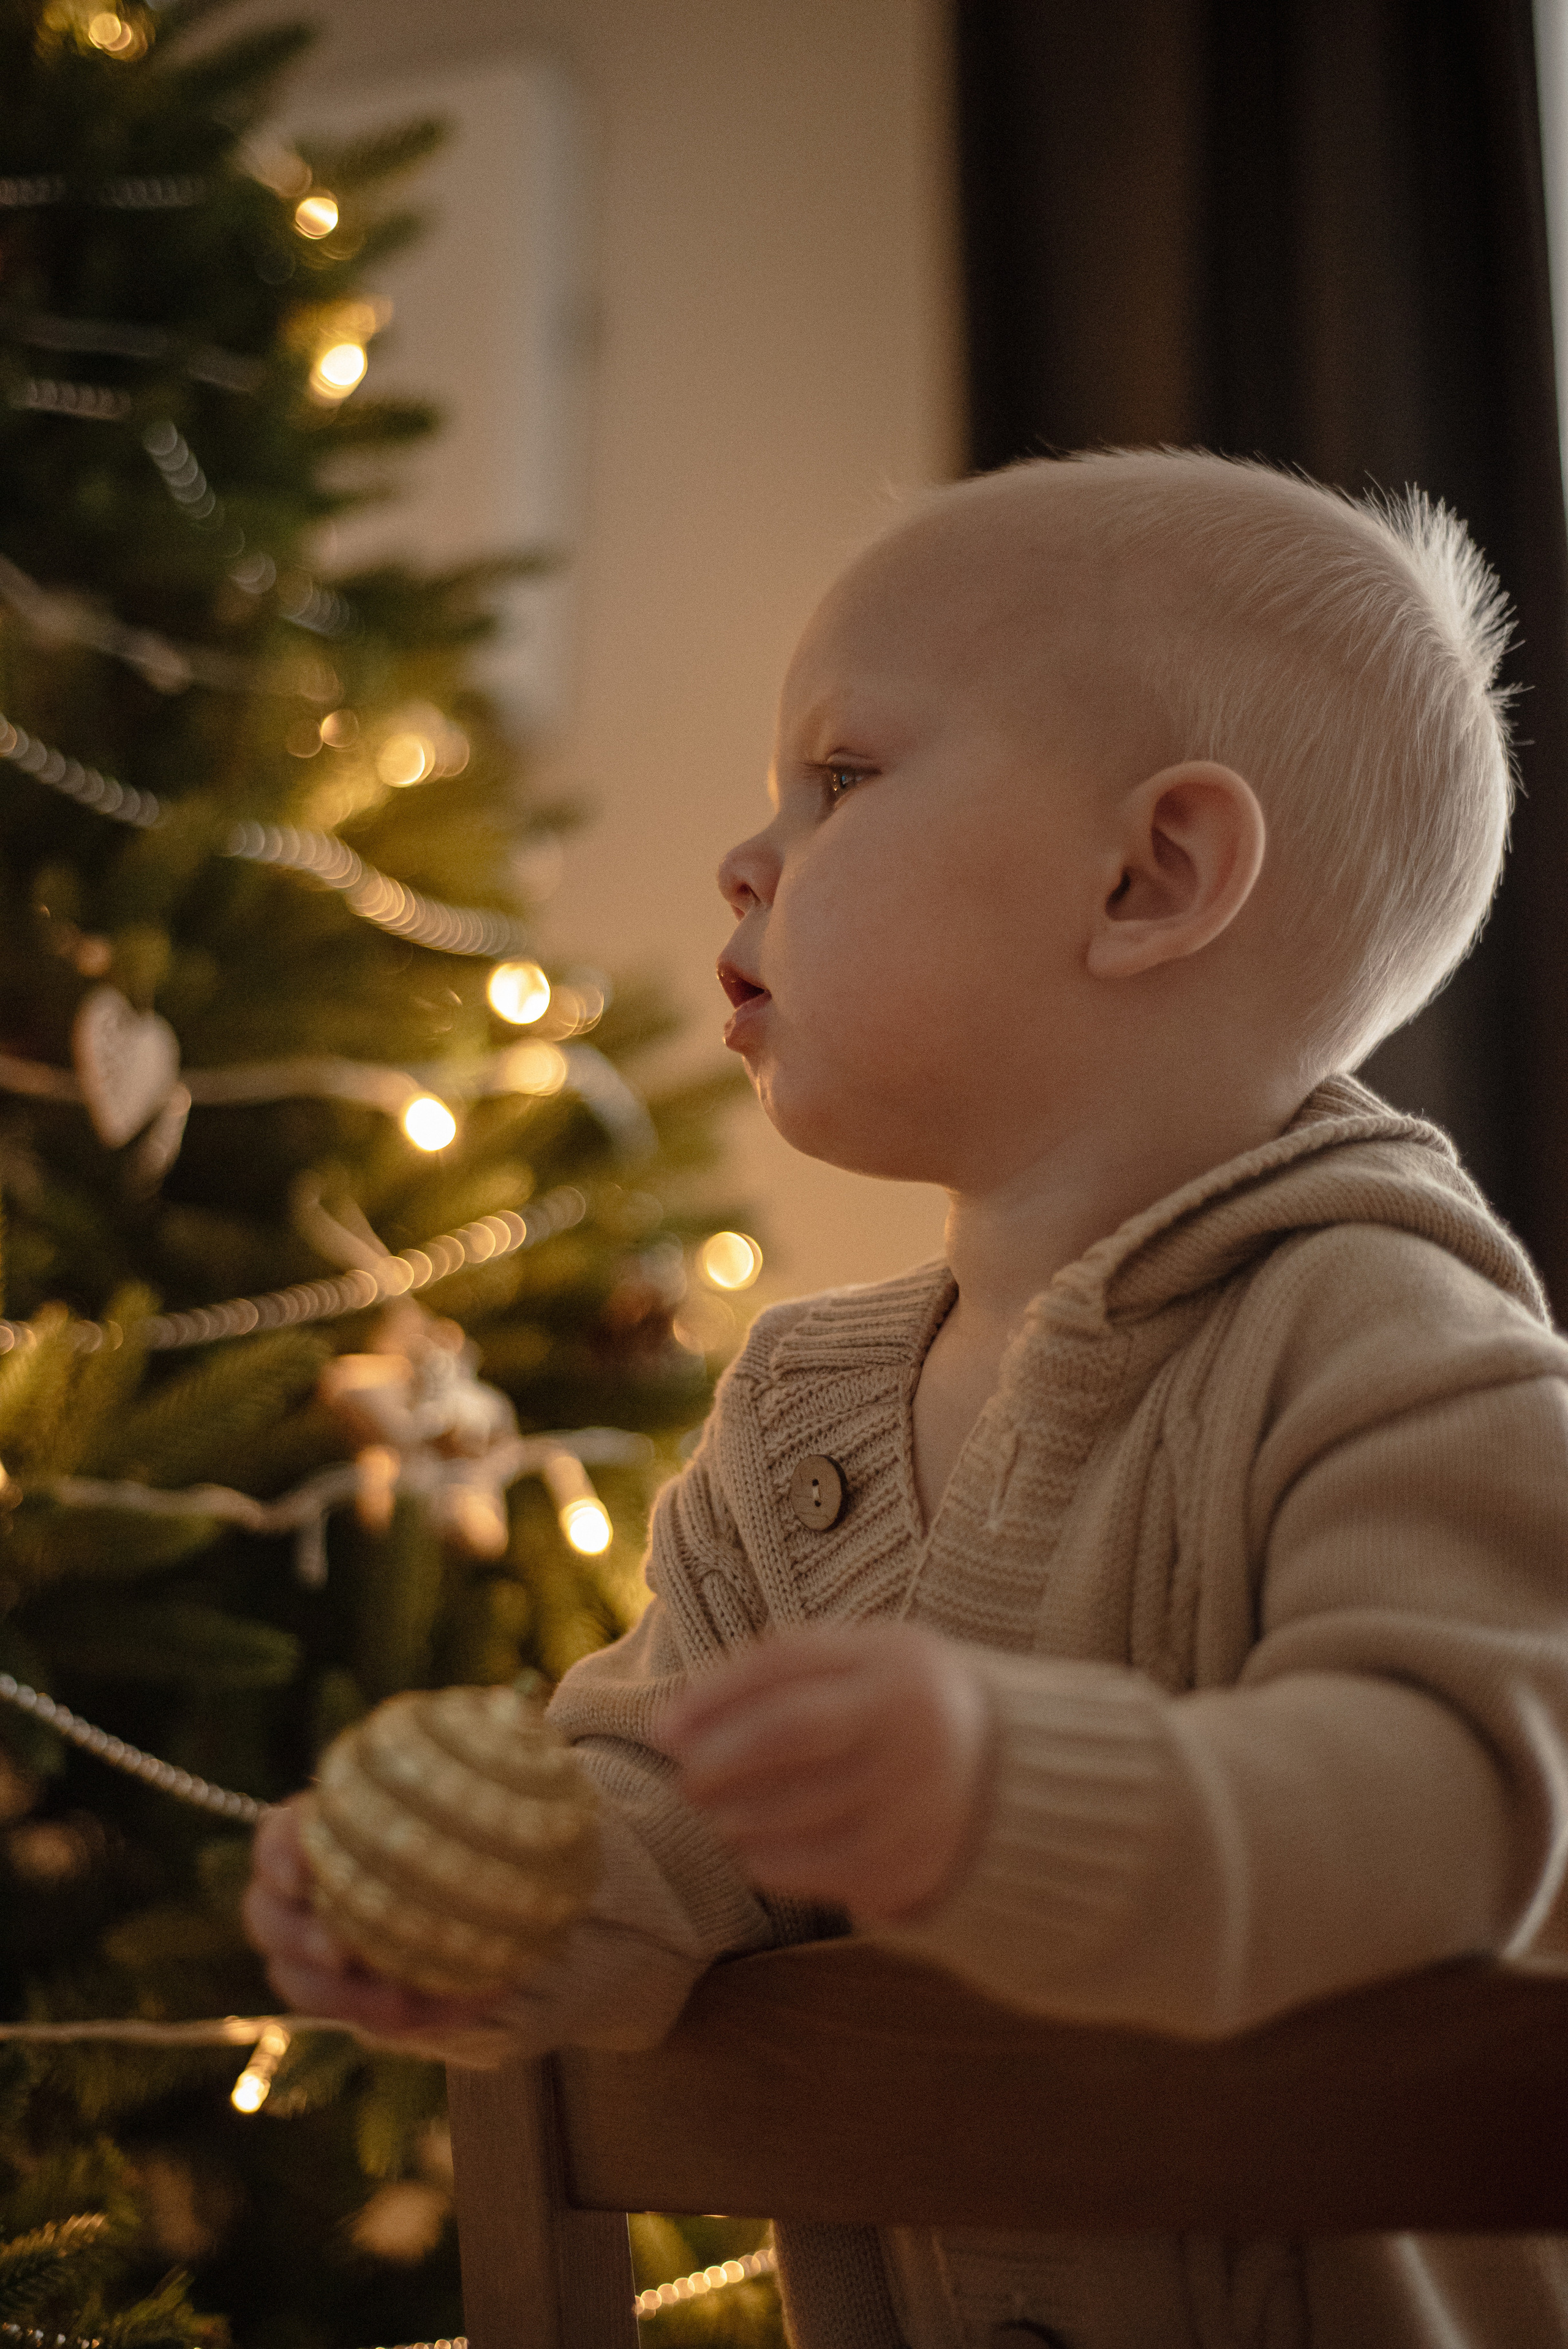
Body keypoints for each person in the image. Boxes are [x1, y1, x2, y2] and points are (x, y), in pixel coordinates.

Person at [244, 449, 1568, 2349]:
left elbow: (1462, 1809)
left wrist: (1003, 1797)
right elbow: (669, 1798)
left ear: (1150, 874)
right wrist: (487, 1904)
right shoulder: (798, 1420)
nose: (748, 852)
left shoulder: (1388, 1340)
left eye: (843, 777)